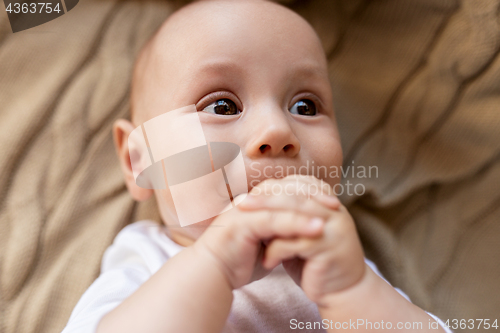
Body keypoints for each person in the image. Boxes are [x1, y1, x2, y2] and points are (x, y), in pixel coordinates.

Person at [61, 0, 452, 332]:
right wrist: (212, 266)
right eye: (222, 106)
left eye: (305, 106)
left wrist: (352, 291)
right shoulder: (144, 265)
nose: (277, 131)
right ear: (139, 160)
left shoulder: (343, 264)